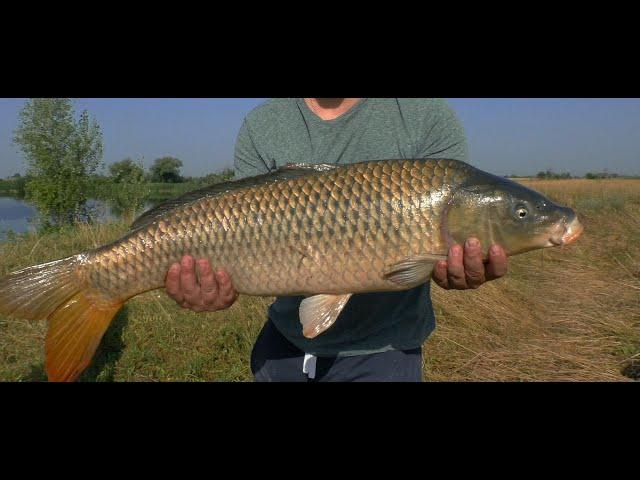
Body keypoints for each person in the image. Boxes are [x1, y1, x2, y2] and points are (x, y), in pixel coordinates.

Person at [164, 98, 508, 382]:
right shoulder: (263, 123)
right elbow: (237, 234)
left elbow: (448, 262)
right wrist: (211, 286)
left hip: (386, 353)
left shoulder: (425, 116)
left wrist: (457, 271)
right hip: (282, 345)